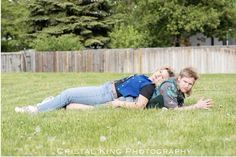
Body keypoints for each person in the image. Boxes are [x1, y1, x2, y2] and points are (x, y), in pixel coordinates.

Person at [15, 66, 175, 113]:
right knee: (69, 101)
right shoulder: (145, 78)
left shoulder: (148, 86)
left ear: (164, 82)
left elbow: (140, 105)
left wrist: (118, 104)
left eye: (162, 77)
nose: (158, 76)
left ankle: (35, 110)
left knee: (68, 94)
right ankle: (52, 103)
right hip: (104, 88)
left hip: (106, 94)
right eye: (159, 72)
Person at [112, 67, 213, 110]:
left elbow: (179, 106)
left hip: (135, 103)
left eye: (190, 84)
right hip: (131, 102)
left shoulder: (179, 91)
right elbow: (174, 110)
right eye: (185, 82)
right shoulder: (169, 86)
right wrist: (196, 106)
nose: (187, 85)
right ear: (179, 79)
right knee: (103, 106)